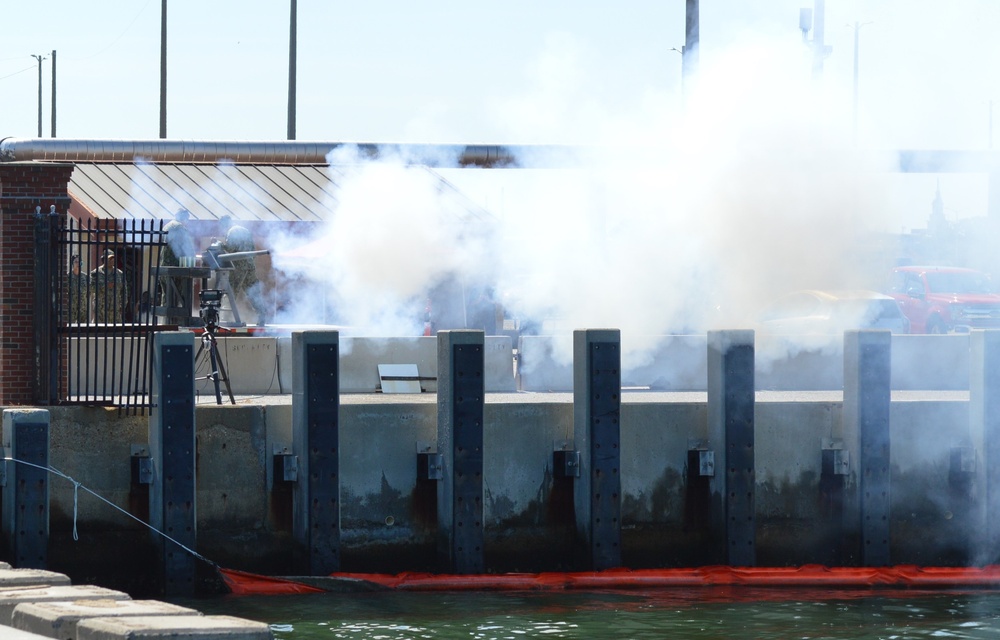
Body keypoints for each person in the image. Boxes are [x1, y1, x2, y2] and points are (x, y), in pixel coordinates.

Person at [219, 215, 268, 326]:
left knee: (230, 291)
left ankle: (223, 318)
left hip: (238, 267)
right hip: (250, 265)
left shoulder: (231, 232)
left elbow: (230, 248)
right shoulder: (245, 230)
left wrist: (220, 244)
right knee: (253, 292)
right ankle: (262, 314)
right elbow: (252, 249)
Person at [158, 209, 197, 316]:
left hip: (164, 266)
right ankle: (176, 321)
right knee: (179, 296)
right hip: (176, 268)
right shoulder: (180, 228)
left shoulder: (166, 226)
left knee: (166, 296)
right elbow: (188, 248)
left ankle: (165, 321)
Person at [90, 249, 129, 323]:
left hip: (115, 310)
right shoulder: (96, 273)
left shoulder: (119, 274)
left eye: (113, 258)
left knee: (115, 333)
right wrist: (105, 286)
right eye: (110, 259)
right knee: (100, 332)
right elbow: (91, 288)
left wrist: (123, 305)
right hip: (101, 310)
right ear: (104, 259)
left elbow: (124, 291)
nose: (112, 260)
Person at [67, 255, 90, 324]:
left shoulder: (85, 277)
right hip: (71, 307)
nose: (78, 264)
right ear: (72, 264)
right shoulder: (67, 277)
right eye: (76, 262)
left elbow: (89, 292)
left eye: (79, 262)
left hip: (82, 308)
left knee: (82, 329)